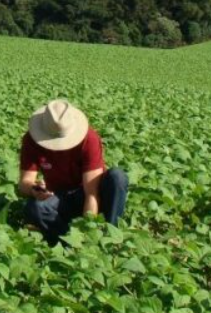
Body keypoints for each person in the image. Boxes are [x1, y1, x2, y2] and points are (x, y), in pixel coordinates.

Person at [18, 99, 129, 245]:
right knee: (35, 208)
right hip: (57, 196)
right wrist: (35, 190)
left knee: (117, 177)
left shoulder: (89, 139)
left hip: (86, 193)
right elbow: (24, 183)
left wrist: (88, 230)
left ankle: (110, 238)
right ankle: (68, 242)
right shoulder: (31, 140)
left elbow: (91, 194)